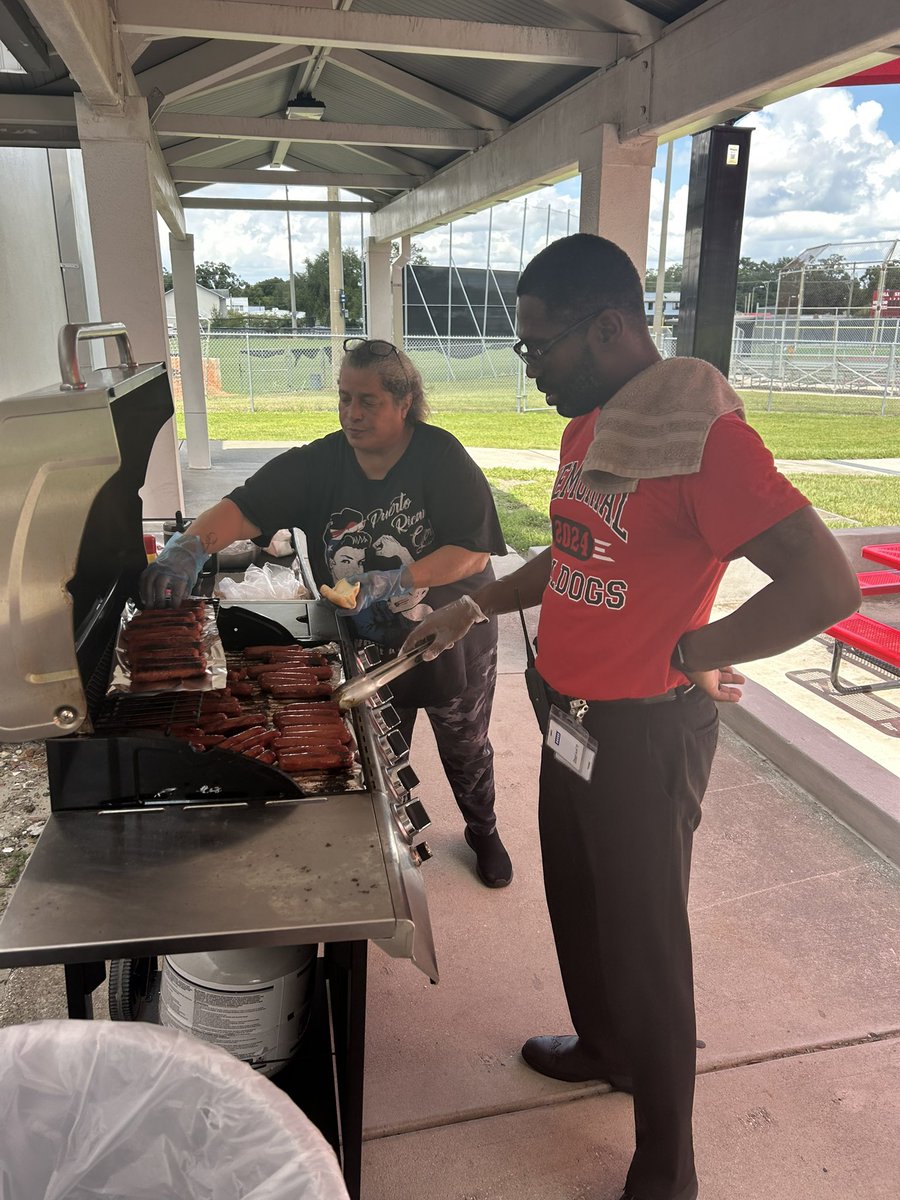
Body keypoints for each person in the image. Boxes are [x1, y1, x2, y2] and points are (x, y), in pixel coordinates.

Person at [401, 235, 861, 1200]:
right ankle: (606, 1046)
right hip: (566, 712)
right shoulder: (596, 426)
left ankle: (668, 1160)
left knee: (648, 941)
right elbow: (574, 555)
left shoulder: (703, 440)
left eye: (539, 349)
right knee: (579, 903)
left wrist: (699, 650)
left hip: (645, 733)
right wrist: (474, 605)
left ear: (608, 326)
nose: (532, 371)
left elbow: (826, 583)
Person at [141, 338, 512, 888]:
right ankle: (392, 840)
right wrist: (189, 546)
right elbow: (246, 506)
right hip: (367, 640)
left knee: (465, 742)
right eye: (343, 398)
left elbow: (474, 551)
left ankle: (483, 829)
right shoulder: (319, 463)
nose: (352, 414)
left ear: (404, 401)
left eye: (368, 401)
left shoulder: (440, 456)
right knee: (381, 748)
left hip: (450, 631)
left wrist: (398, 577)